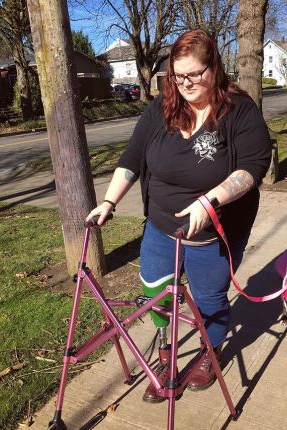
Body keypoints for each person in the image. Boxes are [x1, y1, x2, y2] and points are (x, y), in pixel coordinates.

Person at [85, 29, 271, 403]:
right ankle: (166, 349)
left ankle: (210, 349)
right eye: (176, 75)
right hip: (160, 224)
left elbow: (253, 167)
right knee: (154, 292)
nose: (184, 83)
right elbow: (133, 157)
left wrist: (211, 201)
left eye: (193, 75)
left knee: (209, 298)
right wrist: (109, 201)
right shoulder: (162, 107)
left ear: (214, 68)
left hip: (211, 230)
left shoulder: (239, 110)